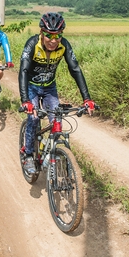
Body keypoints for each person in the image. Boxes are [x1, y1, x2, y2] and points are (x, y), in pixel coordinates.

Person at [18, 12, 96, 175]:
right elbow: (24, 70)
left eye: (58, 36)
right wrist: (25, 100)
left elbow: (75, 69)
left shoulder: (64, 46)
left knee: (57, 121)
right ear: (41, 33)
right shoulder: (32, 44)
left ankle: (50, 156)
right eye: (48, 35)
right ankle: (27, 155)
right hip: (31, 86)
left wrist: (86, 98)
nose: (53, 41)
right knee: (33, 118)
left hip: (49, 88)